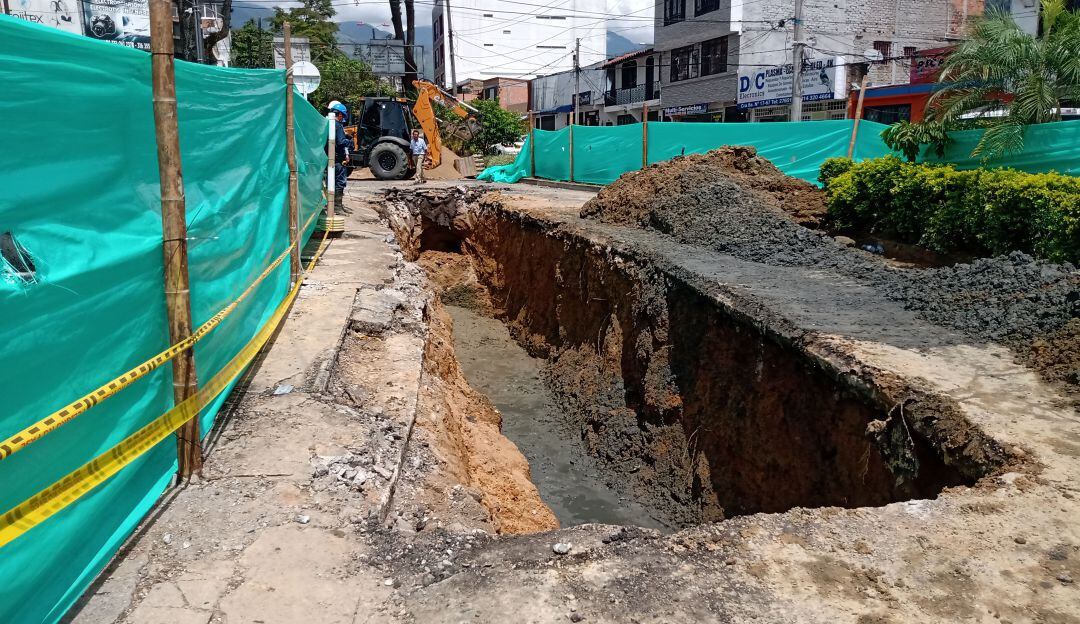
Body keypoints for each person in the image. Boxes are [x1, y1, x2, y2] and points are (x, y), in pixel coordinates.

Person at [328, 101, 351, 209]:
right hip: (338, 159)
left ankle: (334, 206)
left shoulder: (329, 124)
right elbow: (341, 142)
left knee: (331, 181)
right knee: (340, 182)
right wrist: (349, 140)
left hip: (331, 158)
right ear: (340, 114)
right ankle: (337, 206)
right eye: (343, 116)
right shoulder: (338, 126)